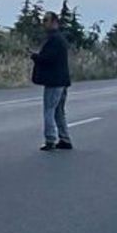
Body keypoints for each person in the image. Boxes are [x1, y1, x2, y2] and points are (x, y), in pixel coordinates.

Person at [32, 12, 72, 151]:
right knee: (59, 111)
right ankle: (64, 139)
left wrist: (35, 57)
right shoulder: (59, 39)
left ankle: (50, 139)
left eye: (46, 20)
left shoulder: (54, 40)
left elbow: (48, 59)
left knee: (49, 110)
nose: (44, 23)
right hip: (61, 80)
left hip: (54, 82)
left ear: (54, 21)